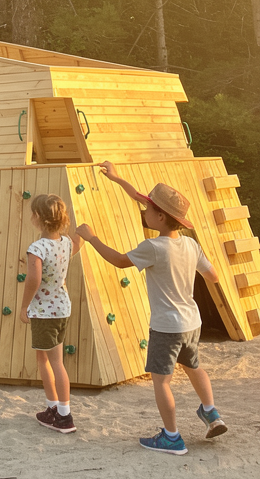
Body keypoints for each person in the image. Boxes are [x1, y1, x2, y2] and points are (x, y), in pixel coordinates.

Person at [76, 161, 227, 454]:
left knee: (162, 382)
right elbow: (214, 276)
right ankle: (211, 413)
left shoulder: (153, 248)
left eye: (148, 209)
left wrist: (91, 238)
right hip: (191, 322)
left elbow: (120, 261)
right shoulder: (191, 245)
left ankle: (171, 437)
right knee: (194, 367)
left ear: (160, 217)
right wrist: (117, 178)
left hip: (166, 327)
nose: (143, 211)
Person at [19, 193, 83, 433]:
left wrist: (24, 306)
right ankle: (58, 410)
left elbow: (33, 279)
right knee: (57, 360)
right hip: (62, 308)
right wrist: (83, 232)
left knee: (45, 361)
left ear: (38, 217)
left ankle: (60, 412)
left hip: (43, 311)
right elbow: (78, 242)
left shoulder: (37, 248)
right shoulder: (65, 243)